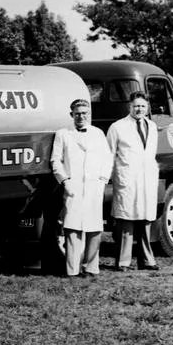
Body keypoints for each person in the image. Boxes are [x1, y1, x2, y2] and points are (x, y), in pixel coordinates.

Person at [50, 99, 113, 277]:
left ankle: (91, 267)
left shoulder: (98, 133)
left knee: (94, 227)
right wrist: (65, 181)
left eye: (85, 113)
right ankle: (72, 269)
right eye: (77, 113)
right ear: (72, 115)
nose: (81, 117)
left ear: (89, 114)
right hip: (73, 185)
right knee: (72, 227)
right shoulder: (63, 134)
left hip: (94, 185)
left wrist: (102, 180)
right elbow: (56, 160)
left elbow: (107, 159)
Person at [107, 91, 160, 271]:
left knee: (145, 220)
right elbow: (109, 155)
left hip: (146, 179)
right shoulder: (117, 127)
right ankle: (123, 262)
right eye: (136, 106)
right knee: (126, 221)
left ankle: (146, 260)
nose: (139, 109)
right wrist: (111, 178)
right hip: (127, 179)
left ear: (148, 108)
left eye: (143, 106)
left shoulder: (152, 127)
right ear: (130, 106)